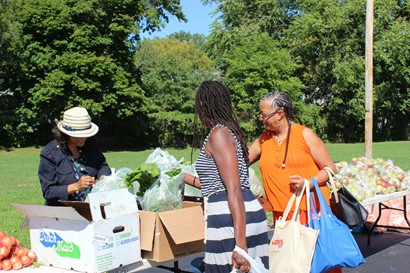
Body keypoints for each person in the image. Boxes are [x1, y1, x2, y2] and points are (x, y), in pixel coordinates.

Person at [248, 90, 342, 273]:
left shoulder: (304, 134)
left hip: (311, 212)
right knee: (290, 266)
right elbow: (241, 161)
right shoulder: (263, 140)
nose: (261, 118)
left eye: (264, 114)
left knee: (318, 264)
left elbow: (330, 168)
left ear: (280, 114)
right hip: (282, 216)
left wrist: (309, 182)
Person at [184, 80, 269, 273]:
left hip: (231, 218)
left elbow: (234, 188)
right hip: (241, 212)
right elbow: (220, 184)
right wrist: (183, 178)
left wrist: (240, 245)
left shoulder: (219, 134)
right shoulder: (229, 132)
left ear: (203, 105)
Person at [38, 107, 111, 206]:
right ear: (66, 134)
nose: (83, 138)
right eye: (78, 135)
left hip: (91, 207)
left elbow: (102, 165)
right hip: (62, 212)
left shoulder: (90, 144)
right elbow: (48, 192)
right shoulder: (49, 154)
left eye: (86, 134)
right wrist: (76, 186)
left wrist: (103, 178)